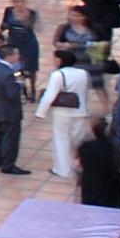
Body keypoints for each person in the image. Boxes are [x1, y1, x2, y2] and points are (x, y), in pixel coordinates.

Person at [35, 48, 92, 178]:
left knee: (61, 140)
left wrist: (41, 112)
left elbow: (50, 94)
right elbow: (87, 92)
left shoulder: (58, 74)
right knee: (77, 140)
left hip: (62, 112)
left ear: (60, 60)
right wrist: (88, 108)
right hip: (80, 111)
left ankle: (62, 169)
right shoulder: (83, 73)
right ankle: (78, 165)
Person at [0, 45, 29, 175]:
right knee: (11, 138)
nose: (18, 56)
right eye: (16, 54)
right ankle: (8, 165)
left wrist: (17, 75)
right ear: (9, 56)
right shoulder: (8, 74)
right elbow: (12, 94)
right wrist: (20, 83)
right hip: (10, 111)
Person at [76, 116, 120, 209]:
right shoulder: (112, 147)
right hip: (111, 184)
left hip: (91, 184)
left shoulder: (85, 147)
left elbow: (80, 163)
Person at [0, 0, 42, 100]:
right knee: (17, 67)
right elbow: (3, 25)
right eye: (16, 2)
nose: (19, 4)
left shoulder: (31, 13)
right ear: (13, 2)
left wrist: (25, 18)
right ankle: (22, 88)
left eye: (22, 1)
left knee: (31, 67)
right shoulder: (9, 11)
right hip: (14, 41)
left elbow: (31, 26)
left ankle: (33, 88)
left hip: (28, 42)